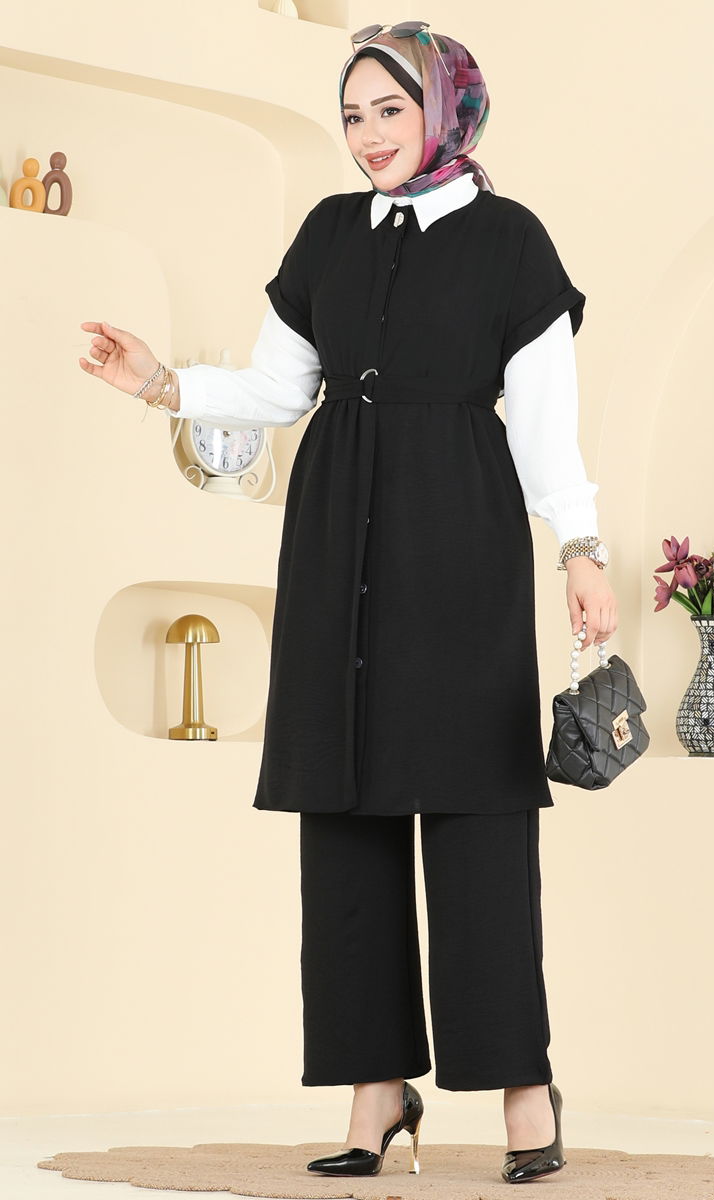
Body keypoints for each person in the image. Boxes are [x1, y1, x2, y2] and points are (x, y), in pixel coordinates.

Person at [77, 21, 617, 1186]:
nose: (367, 134)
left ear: (444, 111)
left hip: (459, 540)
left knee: (476, 810)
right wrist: (159, 382)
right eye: (352, 114)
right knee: (345, 809)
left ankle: (521, 1085)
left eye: (389, 110)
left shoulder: (511, 241)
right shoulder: (327, 231)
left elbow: (544, 426)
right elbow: (278, 390)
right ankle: (376, 1086)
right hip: (335, 541)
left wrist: (580, 550)